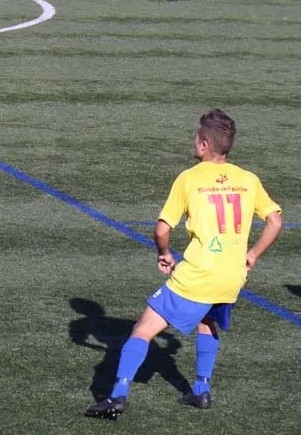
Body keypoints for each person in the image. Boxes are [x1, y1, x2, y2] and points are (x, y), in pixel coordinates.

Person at [86, 109, 283, 419]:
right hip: (232, 277)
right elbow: (275, 221)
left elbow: (161, 230)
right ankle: (201, 390)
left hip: (198, 274)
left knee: (142, 330)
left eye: (195, 137)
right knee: (206, 321)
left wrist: (164, 253)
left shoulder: (189, 179)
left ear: (204, 144)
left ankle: (117, 396)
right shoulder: (249, 179)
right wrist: (253, 255)